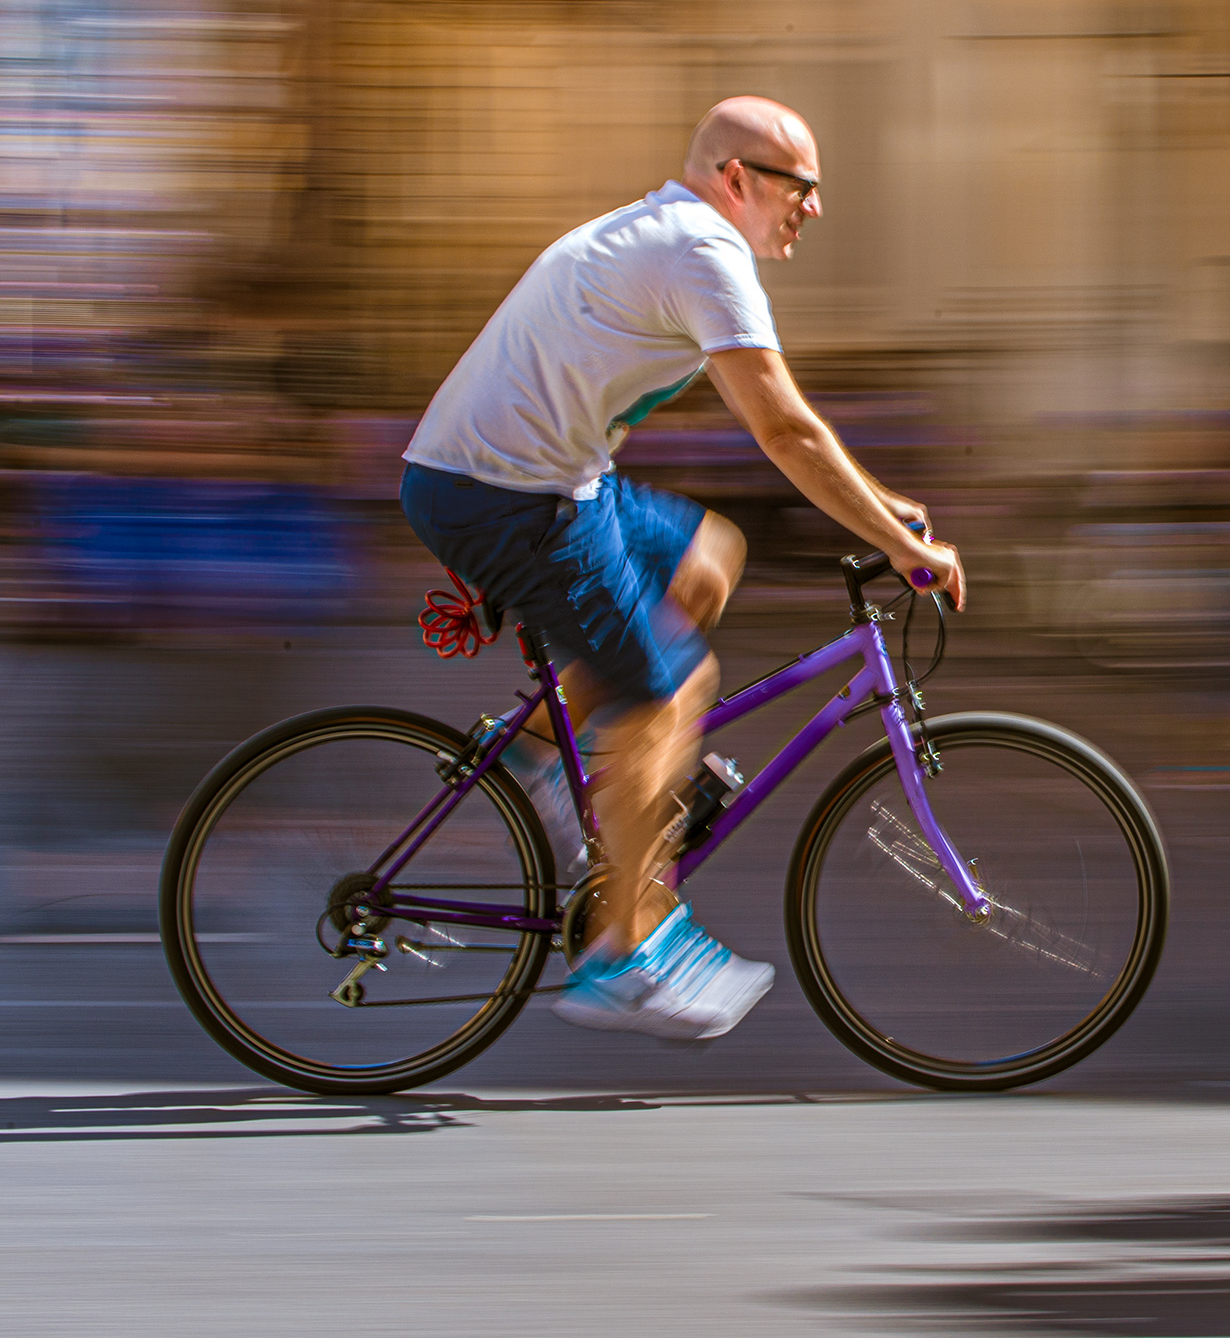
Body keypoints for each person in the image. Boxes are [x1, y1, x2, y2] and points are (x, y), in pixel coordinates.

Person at [398, 95, 963, 1039]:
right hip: (506, 494)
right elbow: (784, 429)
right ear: (737, 179)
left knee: (706, 559)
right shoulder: (703, 250)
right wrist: (903, 547)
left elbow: (787, 426)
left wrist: (878, 503)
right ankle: (624, 959)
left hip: (540, 479)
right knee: (671, 691)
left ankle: (543, 755)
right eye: (801, 185)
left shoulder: (672, 232)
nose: (815, 207)